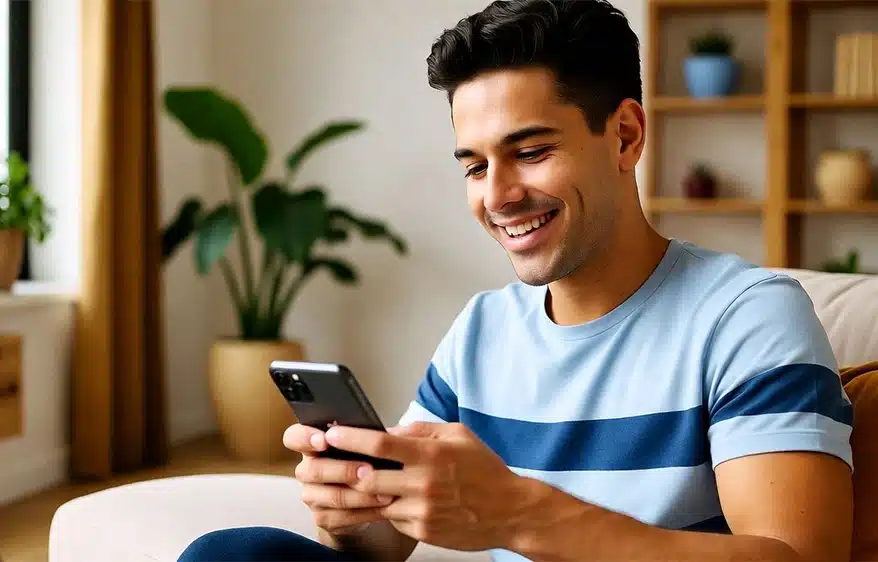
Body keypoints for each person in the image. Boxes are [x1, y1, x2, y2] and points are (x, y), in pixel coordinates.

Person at [178, 0, 855, 561]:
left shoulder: (747, 316)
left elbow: (797, 557)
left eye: (530, 152)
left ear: (624, 136)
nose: (497, 196)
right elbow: (385, 546)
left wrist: (521, 514)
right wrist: (350, 508)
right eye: (474, 166)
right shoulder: (484, 328)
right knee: (232, 553)